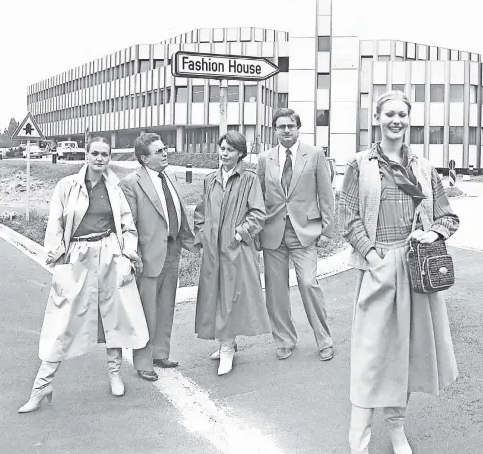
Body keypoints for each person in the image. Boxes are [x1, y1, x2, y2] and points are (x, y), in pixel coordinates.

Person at [338, 90, 460, 454]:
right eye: (389, 114)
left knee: (406, 356)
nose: (396, 120)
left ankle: (396, 430)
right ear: (377, 118)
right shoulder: (360, 164)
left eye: (402, 114)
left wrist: (432, 231)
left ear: (409, 119)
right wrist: (373, 256)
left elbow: (448, 216)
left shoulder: (423, 167)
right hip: (379, 269)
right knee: (370, 357)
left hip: (416, 271)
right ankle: (357, 440)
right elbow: (348, 217)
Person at [18, 137, 149, 413]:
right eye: (95, 154)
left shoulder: (115, 188)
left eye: (105, 154)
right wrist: (58, 260)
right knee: (63, 320)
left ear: (109, 157)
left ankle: (115, 373)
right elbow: (55, 223)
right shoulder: (67, 186)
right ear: (86, 155)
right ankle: (42, 385)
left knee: (116, 315)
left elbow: (127, 226)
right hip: (77, 256)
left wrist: (127, 256)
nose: (100, 159)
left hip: (109, 252)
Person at [256, 108, 335, 362]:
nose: (286, 130)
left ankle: (324, 340)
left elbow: (326, 193)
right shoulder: (264, 158)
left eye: (291, 125)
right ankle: (284, 339)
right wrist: (256, 231)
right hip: (272, 233)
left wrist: (327, 230)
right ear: (275, 130)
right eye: (281, 126)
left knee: (309, 284)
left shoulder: (314, 154)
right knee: (276, 291)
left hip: (305, 232)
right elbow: (258, 197)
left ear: (298, 127)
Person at [120, 133, 196, 382]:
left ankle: (160, 353)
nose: (165, 154)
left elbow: (177, 210)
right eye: (159, 151)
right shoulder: (131, 183)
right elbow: (128, 224)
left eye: (165, 150)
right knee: (146, 311)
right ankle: (143, 361)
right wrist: (135, 256)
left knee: (165, 307)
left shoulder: (168, 176)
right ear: (144, 158)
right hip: (148, 256)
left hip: (172, 251)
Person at [194, 131, 270, 375]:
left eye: (229, 150)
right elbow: (201, 211)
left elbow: (258, 213)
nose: (223, 154)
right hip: (213, 250)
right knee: (215, 295)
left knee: (232, 297)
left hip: (236, 248)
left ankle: (227, 347)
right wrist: (203, 235)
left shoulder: (249, 180)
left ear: (240, 154)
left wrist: (239, 234)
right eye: (222, 149)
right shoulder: (210, 180)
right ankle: (226, 341)